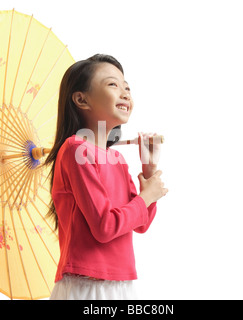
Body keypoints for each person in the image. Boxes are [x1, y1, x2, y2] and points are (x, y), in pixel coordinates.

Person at [45, 54, 168, 300]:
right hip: (86, 286)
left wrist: (148, 171)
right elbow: (105, 227)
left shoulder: (117, 160)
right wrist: (147, 196)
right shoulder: (75, 149)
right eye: (112, 84)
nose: (125, 93)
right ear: (81, 99)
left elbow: (141, 223)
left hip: (121, 284)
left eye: (127, 87)